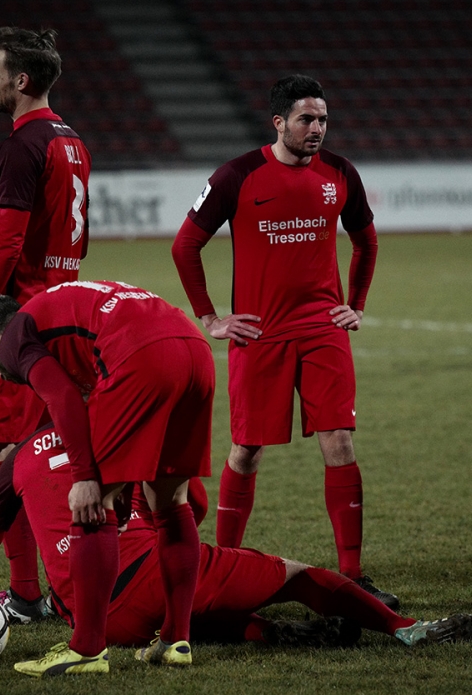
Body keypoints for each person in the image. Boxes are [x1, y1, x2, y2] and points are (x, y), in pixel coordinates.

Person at [0, 422, 472, 676]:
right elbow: (190, 502)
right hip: (151, 571)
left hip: (100, 622)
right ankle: (407, 629)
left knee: (195, 616)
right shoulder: (117, 431)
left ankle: (270, 633)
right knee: (296, 575)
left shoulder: (19, 459)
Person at [171, 75, 396, 608]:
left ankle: (353, 574)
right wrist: (211, 318)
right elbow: (185, 246)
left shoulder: (340, 172)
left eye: (323, 120)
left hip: (323, 330)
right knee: (247, 450)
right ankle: (224, 567)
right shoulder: (237, 175)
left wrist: (357, 303)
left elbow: (366, 240)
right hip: (261, 333)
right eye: (306, 119)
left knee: (339, 441)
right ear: (279, 123)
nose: (317, 129)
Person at [0, 283, 214, 675]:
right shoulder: (59, 314)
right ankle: (174, 642)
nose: (1, 374)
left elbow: (61, 397)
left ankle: (87, 650)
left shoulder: (13, 337)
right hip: (194, 349)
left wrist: (84, 477)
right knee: (171, 501)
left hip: (140, 354)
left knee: (91, 506)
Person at [0, 26, 92, 625]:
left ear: (21, 80)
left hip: (18, 318)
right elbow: (80, 235)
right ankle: (77, 581)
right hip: (62, 307)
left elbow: (7, 241)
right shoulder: (72, 140)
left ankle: (25, 593)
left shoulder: (21, 146)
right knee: (56, 447)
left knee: (3, 450)